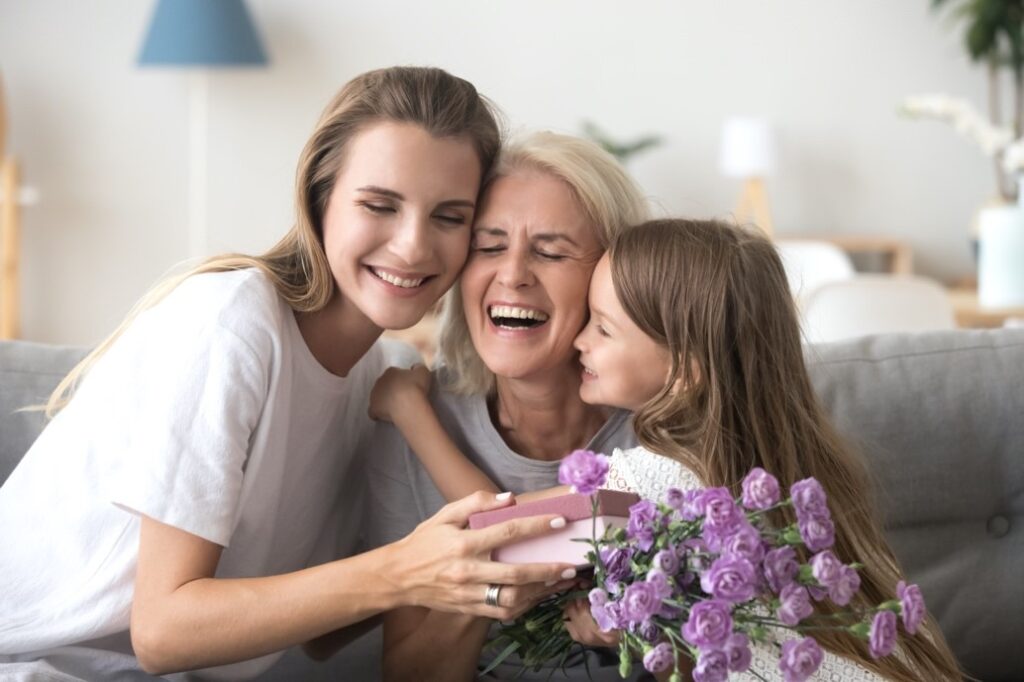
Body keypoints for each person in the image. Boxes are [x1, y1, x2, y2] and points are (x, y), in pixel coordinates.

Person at [0, 66, 579, 681]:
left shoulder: (385, 379)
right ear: (320, 197)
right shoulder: (233, 321)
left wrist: (480, 570)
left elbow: (326, 634)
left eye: (448, 216)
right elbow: (163, 631)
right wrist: (408, 568)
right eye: (379, 205)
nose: (413, 246)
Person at [373, 218, 964, 681]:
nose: (579, 339)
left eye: (603, 329)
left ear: (684, 373)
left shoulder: (660, 478)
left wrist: (410, 410)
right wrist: (637, 625)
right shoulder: (783, 464)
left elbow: (499, 528)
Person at [363, 130, 649, 681]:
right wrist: (482, 586)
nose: (513, 273)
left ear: (614, 276)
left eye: (550, 250)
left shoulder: (665, 426)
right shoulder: (413, 423)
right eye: (489, 246)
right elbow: (409, 675)